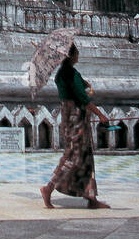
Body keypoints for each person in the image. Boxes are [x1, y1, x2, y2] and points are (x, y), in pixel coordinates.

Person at [40, 43, 110, 210]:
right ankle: (49, 187)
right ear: (70, 55)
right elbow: (82, 99)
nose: (79, 54)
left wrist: (83, 82)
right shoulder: (70, 74)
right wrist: (100, 115)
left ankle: (90, 197)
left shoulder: (63, 74)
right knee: (75, 156)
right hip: (76, 118)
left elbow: (76, 87)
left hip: (71, 118)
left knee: (85, 155)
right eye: (76, 51)